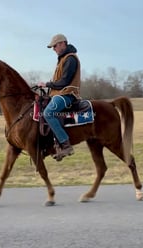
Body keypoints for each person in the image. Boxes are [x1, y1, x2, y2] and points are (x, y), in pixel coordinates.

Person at [38, 33, 81, 161]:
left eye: (55, 46)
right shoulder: (62, 58)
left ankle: (66, 144)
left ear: (62, 44)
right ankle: (51, 145)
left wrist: (47, 84)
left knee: (49, 113)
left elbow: (64, 82)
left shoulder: (70, 59)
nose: (54, 49)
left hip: (67, 94)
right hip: (59, 94)